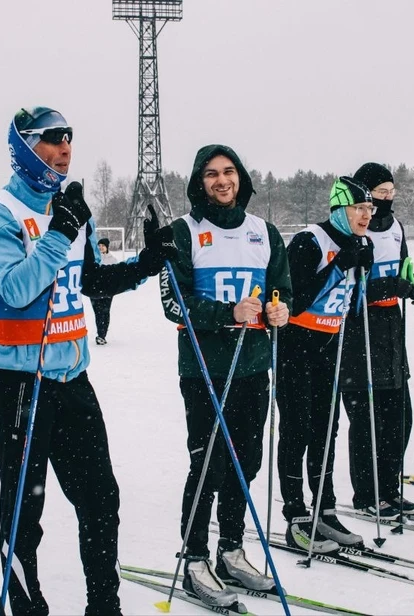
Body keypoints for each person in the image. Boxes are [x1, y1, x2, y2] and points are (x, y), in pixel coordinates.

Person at [0, 106, 175, 616]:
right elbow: (16, 290)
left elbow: (90, 282)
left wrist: (145, 265)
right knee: (24, 513)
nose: (65, 149)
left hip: (70, 378)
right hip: (18, 382)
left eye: (70, 140)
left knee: (101, 501)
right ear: (23, 148)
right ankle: (27, 608)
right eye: (53, 140)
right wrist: (60, 230)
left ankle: (104, 606)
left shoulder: (73, 212)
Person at [159, 144, 291, 609]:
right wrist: (225, 313)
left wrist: (279, 309)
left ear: (241, 178)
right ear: (200, 181)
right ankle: (195, 556)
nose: (221, 181)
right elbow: (173, 302)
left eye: (229, 172)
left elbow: (281, 287)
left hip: (253, 367)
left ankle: (230, 548)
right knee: (208, 463)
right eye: (212, 174)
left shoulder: (264, 232)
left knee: (246, 462)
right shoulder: (184, 232)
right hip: (204, 370)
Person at [276, 176, 374, 554]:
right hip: (298, 343)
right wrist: (339, 266)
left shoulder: (357, 242)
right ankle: (296, 514)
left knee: (325, 429)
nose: (366, 215)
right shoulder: (309, 240)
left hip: (331, 342)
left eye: (369, 209)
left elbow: (353, 301)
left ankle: (325, 508)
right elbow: (294, 300)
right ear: (339, 209)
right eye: (359, 209)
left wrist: (361, 271)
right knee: (298, 428)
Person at [340, 164, 414, 520]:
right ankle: (367, 493)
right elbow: (345, 288)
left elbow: (402, 267)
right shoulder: (350, 229)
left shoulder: (396, 227)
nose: (386, 198)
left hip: (391, 328)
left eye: (391, 190)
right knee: (366, 419)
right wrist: (388, 287)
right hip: (358, 329)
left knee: (399, 417)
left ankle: (390, 487)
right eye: (380, 191)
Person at [90, 237, 118, 344]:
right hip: (94, 290)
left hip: (107, 290)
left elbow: (115, 276)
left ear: (107, 247)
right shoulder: (93, 258)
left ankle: (102, 335)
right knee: (98, 312)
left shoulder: (112, 260)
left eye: (103, 245)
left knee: (105, 312)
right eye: (99, 245)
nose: (101, 247)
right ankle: (100, 334)